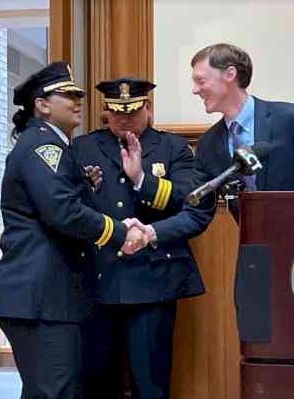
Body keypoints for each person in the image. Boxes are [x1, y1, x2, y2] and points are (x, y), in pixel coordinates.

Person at [0, 63, 144, 399]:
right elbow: (63, 212)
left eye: (79, 96)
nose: (77, 102)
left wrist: (83, 186)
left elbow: (53, 203)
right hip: (41, 297)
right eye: (68, 95)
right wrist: (120, 231)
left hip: (46, 297)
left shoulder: (50, 146)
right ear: (41, 104)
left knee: (48, 391)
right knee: (57, 392)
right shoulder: (44, 146)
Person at [139, 42, 294, 244]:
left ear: (230, 74)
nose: (195, 90)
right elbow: (196, 213)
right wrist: (150, 232)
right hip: (253, 255)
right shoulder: (209, 144)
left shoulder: (289, 119)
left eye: (200, 81)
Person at [72, 77, 205, 399]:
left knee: (150, 383)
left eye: (132, 112)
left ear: (148, 107)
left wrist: (142, 180)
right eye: (117, 113)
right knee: (97, 381)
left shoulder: (174, 148)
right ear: (106, 111)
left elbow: (190, 204)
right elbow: (69, 207)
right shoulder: (84, 147)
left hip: (153, 280)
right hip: (97, 281)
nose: (124, 119)